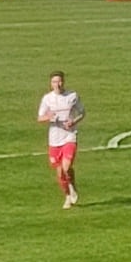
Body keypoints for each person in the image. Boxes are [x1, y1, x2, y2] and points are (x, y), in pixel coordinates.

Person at [38, 71, 84, 208]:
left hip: (69, 136)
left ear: (63, 82)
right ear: (50, 84)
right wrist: (49, 116)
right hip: (54, 139)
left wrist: (73, 121)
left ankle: (72, 187)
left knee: (66, 167)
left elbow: (82, 113)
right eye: (54, 82)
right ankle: (68, 194)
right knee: (60, 172)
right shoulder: (47, 99)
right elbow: (40, 118)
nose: (57, 84)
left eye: (59, 81)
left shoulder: (72, 96)